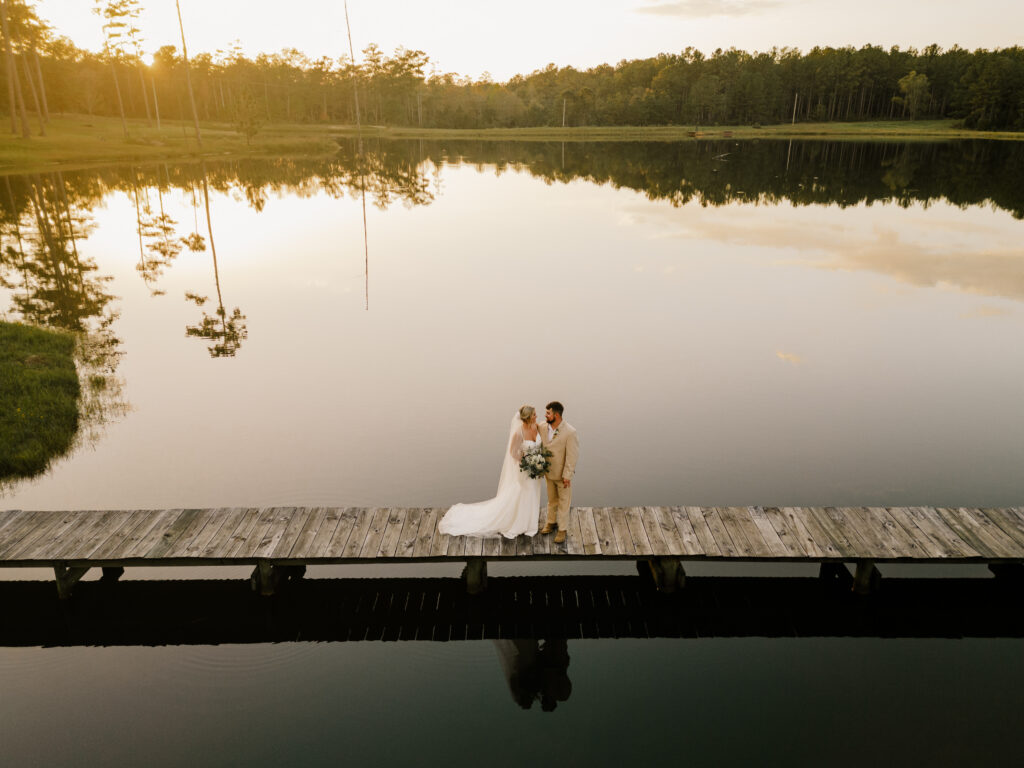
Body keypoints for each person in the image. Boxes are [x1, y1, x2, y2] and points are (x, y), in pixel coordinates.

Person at [438, 405, 542, 538]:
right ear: (527, 418)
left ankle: (530, 523)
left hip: (535, 468)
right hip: (524, 469)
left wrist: (538, 461)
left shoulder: (536, 426)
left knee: (533, 492)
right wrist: (525, 462)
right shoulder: (518, 433)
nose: (536, 416)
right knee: (524, 493)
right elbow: (512, 452)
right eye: (534, 414)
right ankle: (520, 523)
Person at [537, 401, 579, 544]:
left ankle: (562, 529)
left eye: (548, 413)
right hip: (548, 473)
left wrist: (567, 475)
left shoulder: (570, 432)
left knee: (564, 502)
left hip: (562, 476)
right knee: (551, 500)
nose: (545, 415)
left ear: (556, 415)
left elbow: (572, 456)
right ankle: (550, 522)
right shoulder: (542, 427)